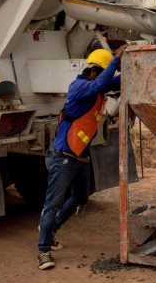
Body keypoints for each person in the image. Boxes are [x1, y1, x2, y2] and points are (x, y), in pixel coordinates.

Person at [36, 47, 122, 271]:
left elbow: (116, 82)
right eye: (103, 72)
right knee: (52, 204)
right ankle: (43, 250)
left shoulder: (96, 88)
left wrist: (133, 64)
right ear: (93, 72)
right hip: (63, 157)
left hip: (80, 157)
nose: (105, 78)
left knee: (81, 197)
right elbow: (101, 84)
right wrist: (115, 60)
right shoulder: (79, 87)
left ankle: (51, 228)